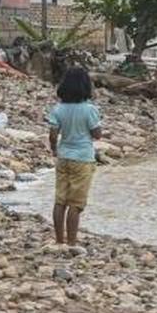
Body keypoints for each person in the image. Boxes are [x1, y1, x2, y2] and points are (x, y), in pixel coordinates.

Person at [47, 67, 103, 246]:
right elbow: (97, 134)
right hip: (83, 159)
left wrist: (54, 150)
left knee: (60, 200)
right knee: (76, 204)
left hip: (63, 157)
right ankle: (71, 242)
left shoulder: (58, 109)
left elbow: (53, 134)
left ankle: (58, 240)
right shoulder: (89, 109)